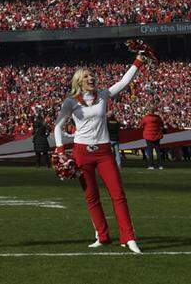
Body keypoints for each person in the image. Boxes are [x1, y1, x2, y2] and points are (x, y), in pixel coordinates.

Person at [52, 51, 149, 253]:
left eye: (92, 75)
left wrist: (138, 61)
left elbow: (123, 82)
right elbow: (57, 127)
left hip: (104, 151)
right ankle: (102, 236)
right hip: (81, 152)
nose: (91, 78)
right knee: (91, 197)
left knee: (118, 194)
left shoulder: (103, 95)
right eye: (86, 76)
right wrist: (61, 151)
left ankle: (128, 237)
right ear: (79, 81)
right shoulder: (71, 102)